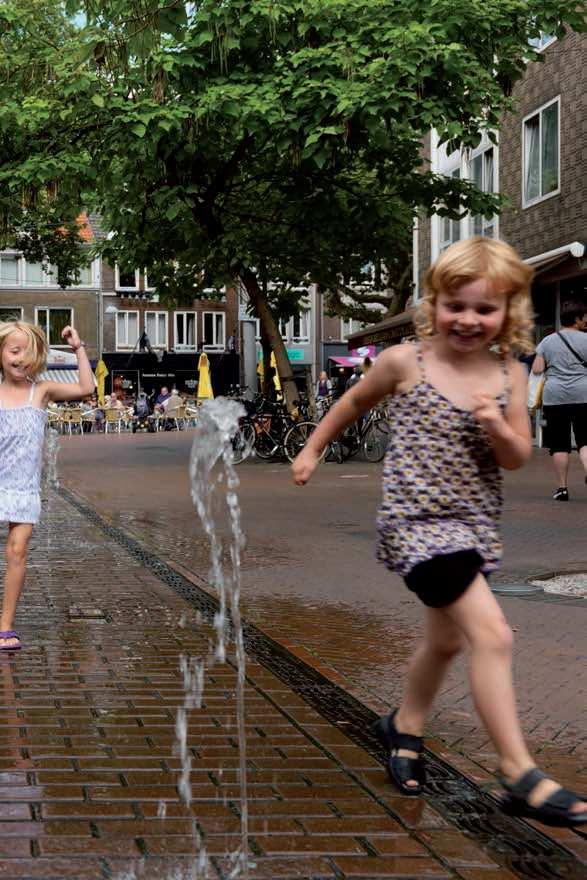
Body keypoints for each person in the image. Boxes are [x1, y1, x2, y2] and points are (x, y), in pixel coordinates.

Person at [291, 237, 586, 828]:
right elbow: (353, 401)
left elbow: (516, 455)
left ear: (509, 312)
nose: (469, 320)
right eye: (456, 305)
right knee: (492, 636)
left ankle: (405, 727)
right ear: (434, 303)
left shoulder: (508, 373)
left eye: (486, 309)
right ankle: (516, 772)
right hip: (416, 526)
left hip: (473, 528)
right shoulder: (406, 361)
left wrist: (493, 425)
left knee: (447, 642)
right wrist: (313, 448)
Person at [0, 320, 95, 651]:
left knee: (17, 550)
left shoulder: (40, 391)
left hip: (23, 487)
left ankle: (5, 627)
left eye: (28, 352)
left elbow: (86, 388)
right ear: (1, 353)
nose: (20, 358)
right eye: (13, 351)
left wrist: (77, 348)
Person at [531, 300, 587, 501]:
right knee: (585, 439)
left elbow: (537, 370)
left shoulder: (547, 341)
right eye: (584, 317)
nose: (586, 321)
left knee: (560, 444)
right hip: (583, 395)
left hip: (555, 398)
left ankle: (562, 489)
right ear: (577, 319)